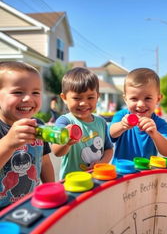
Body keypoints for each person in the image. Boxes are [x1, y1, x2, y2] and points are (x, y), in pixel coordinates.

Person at [0, 61, 55, 209]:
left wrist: (53, 190)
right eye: (18, 92)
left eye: (35, 92)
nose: (28, 99)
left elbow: (45, 162)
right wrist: (8, 143)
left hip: (30, 203)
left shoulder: (37, 125)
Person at [51, 67, 113, 180]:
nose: (84, 103)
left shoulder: (101, 122)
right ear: (64, 98)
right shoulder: (65, 121)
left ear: (98, 97)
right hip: (71, 182)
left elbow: (108, 149)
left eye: (90, 97)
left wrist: (101, 164)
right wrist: (66, 142)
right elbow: (56, 151)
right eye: (77, 98)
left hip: (97, 178)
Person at [109, 68, 167, 162]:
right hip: (122, 173)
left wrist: (155, 134)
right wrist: (122, 126)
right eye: (134, 98)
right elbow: (111, 134)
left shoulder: (159, 123)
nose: (140, 104)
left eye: (147, 98)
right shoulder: (121, 116)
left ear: (158, 99)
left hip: (146, 173)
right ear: (126, 99)